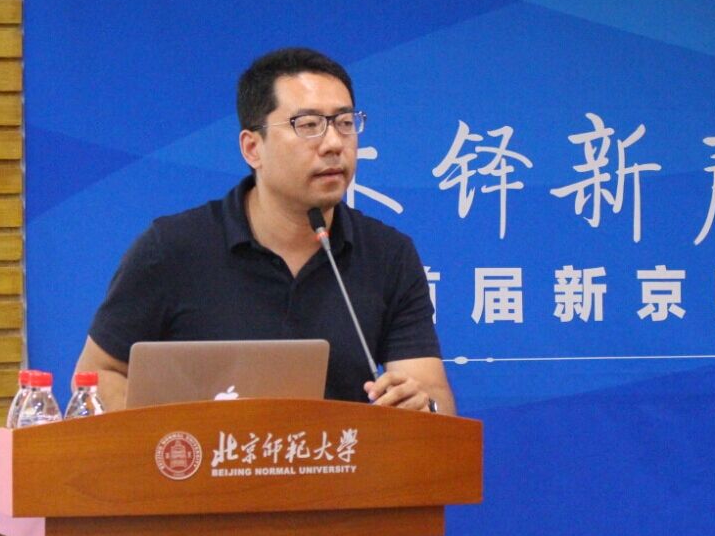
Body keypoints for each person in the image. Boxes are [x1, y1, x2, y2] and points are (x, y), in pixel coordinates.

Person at [74, 47, 456, 415]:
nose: (333, 144)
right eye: (308, 125)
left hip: (336, 458)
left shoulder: (388, 255)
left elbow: (432, 394)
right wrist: (161, 441)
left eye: (344, 123)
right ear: (252, 148)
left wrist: (422, 407)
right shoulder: (173, 249)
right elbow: (97, 375)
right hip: (206, 458)